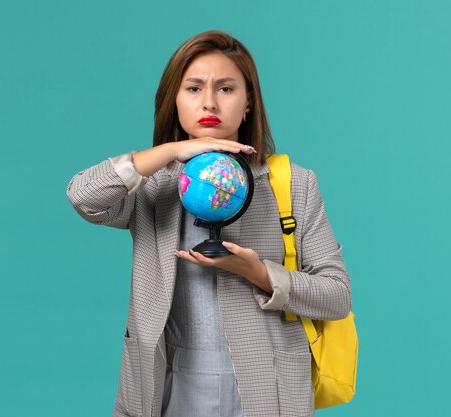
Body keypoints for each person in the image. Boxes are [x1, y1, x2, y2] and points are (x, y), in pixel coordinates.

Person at [66, 30, 351, 417]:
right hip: (167, 388)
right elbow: (83, 196)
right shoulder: (153, 186)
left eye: (227, 89)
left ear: (249, 101)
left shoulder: (294, 184)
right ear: (175, 101)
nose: (210, 102)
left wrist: (261, 273)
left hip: (265, 391)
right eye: (194, 89)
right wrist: (169, 152)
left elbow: (336, 296)